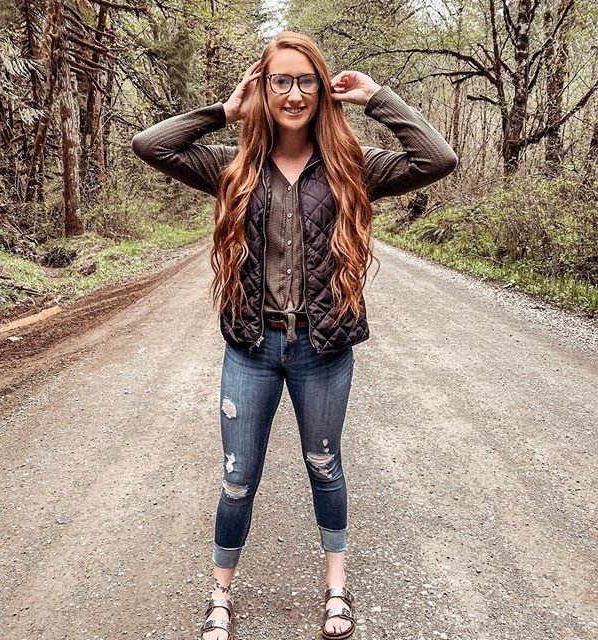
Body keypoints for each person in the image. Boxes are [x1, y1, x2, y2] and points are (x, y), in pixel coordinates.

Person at [132, 30, 457, 640]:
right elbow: (150, 144)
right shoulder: (234, 167)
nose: (293, 93)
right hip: (251, 348)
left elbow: (437, 160)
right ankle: (219, 595)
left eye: (306, 80)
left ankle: (337, 588)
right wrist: (224, 111)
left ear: (322, 89)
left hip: (322, 348)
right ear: (263, 87)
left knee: (325, 465)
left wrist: (377, 98)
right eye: (280, 80)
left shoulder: (351, 168)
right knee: (237, 476)